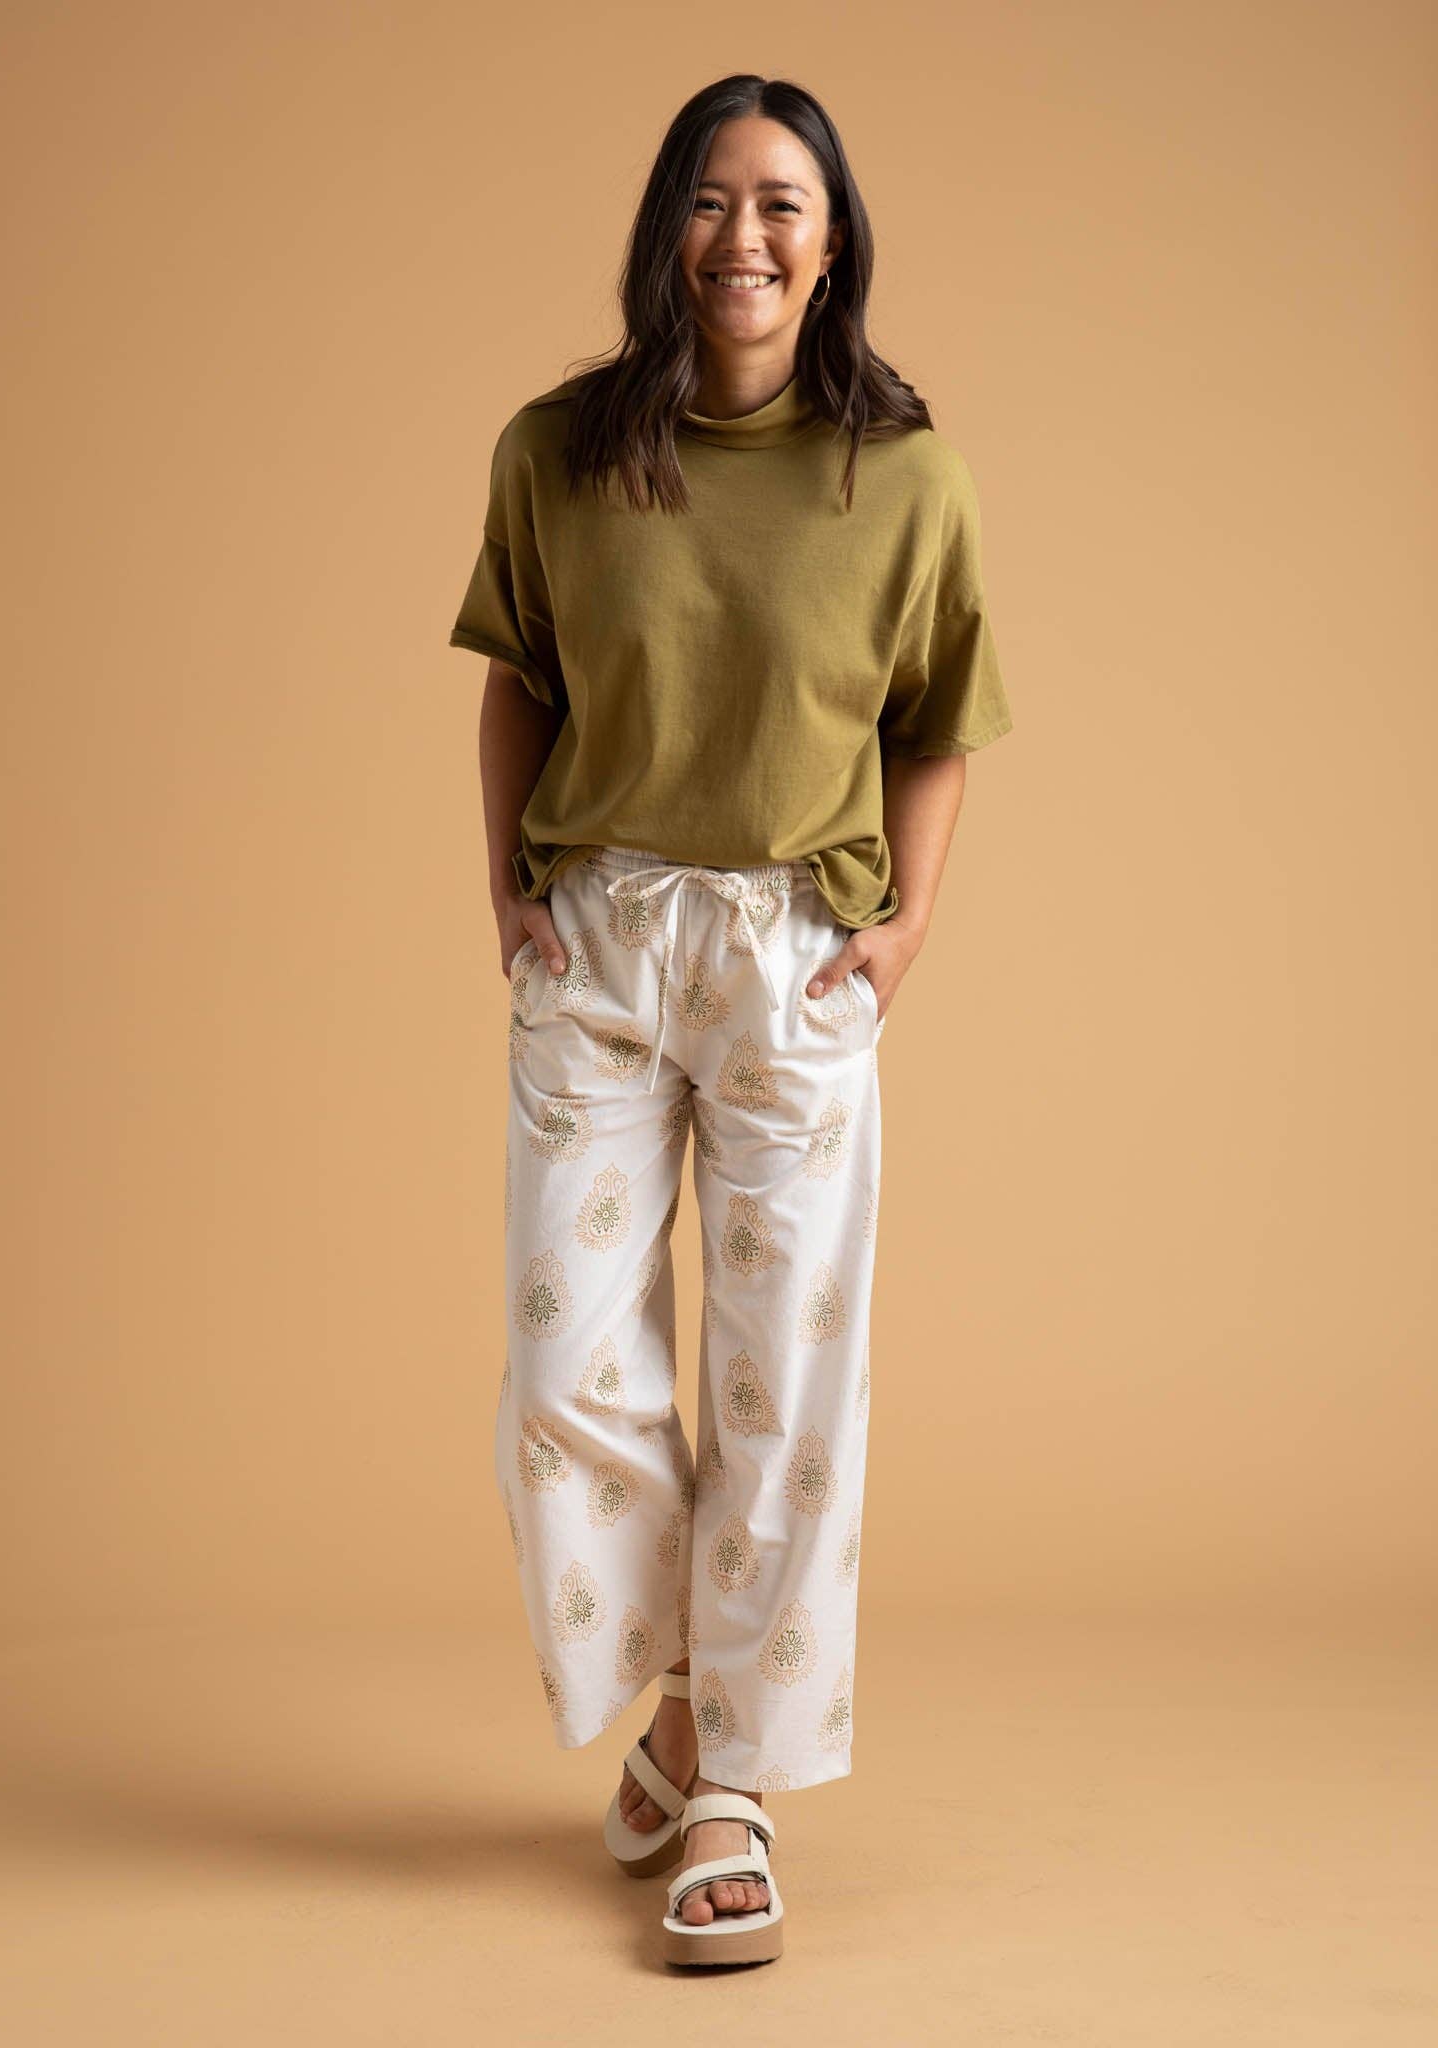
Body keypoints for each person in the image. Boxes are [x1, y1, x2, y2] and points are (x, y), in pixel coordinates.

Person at [446, 73, 1012, 1969]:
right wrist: (508, 894)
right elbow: (515, 680)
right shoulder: (557, 452)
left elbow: (937, 722)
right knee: (565, 1371)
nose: (744, 237)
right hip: (601, 943)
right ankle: (687, 1697)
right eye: (710, 198)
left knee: (786, 1385)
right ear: (664, 231)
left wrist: (907, 929)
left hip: (794, 958)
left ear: (833, 243)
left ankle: (734, 1784)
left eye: (783, 202)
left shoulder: (906, 477)